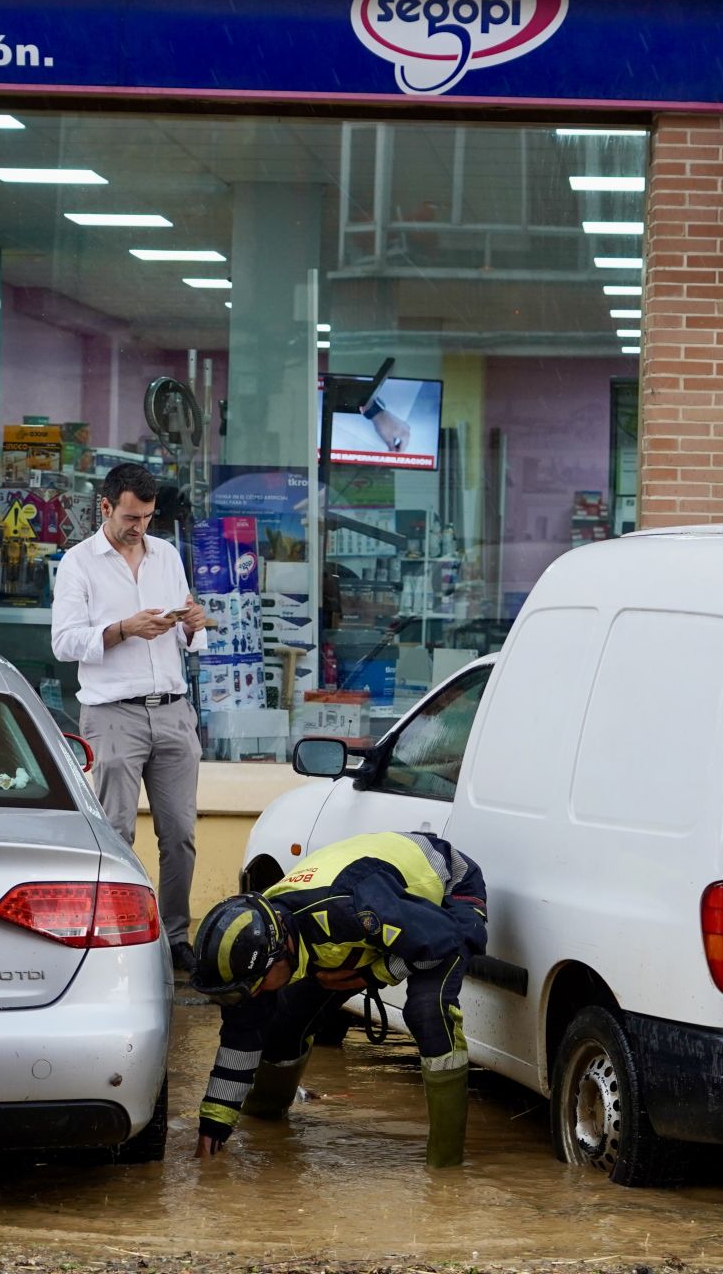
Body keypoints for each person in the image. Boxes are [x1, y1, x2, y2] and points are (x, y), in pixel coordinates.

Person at [188, 830, 488, 1168]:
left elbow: (446, 939)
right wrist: (212, 1132)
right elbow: (240, 1040)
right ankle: (266, 1120)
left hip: (447, 894)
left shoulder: (354, 910)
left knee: (428, 1011)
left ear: (279, 954)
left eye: (252, 987)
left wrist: (374, 974)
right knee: (282, 1024)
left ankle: (445, 1170)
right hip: (370, 910)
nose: (251, 996)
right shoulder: (262, 945)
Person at [50, 463, 209, 972]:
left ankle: (176, 936)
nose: (138, 526)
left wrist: (192, 626)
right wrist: (122, 629)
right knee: (117, 832)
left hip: (172, 709)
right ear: (105, 507)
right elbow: (64, 642)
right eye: (129, 516)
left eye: (146, 516)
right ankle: (119, 939)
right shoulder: (78, 563)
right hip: (112, 713)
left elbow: (189, 636)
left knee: (180, 833)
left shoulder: (166, 556)